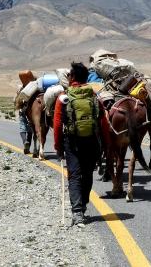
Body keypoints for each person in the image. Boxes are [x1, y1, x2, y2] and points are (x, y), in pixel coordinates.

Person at [53, 62, 103, 227]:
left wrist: (58, 147)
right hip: (91, 141)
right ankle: (83, 206)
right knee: (87, 174)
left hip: (72, 142)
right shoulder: (94, 96)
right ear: (86, 78)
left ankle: (77, 213)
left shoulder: (63, 97)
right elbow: (101, 120)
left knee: (74, 175)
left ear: (72, 77)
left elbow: (58, 124)